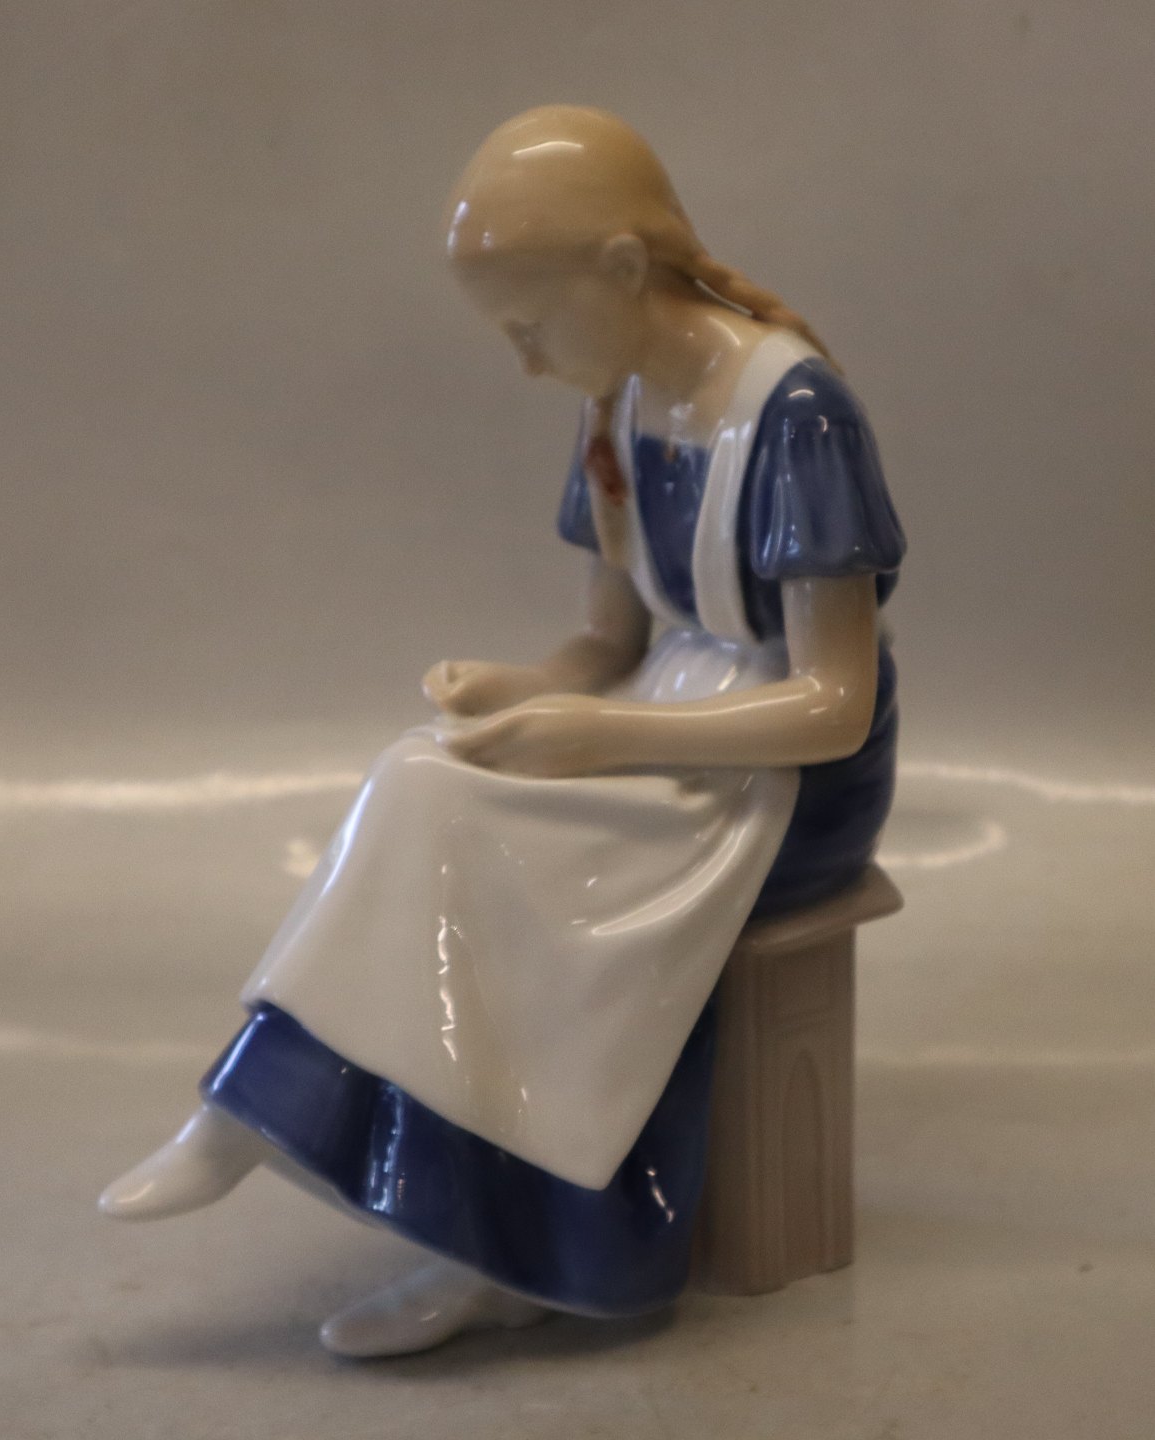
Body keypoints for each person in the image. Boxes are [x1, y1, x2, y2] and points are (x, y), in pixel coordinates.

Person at [99, 105, 905, 1358]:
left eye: (532, 327)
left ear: (623, 269)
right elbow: (608, 645)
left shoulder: (795, 415)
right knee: (424, 769)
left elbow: (833, 704)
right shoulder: (615, 403)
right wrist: (523, 689)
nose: (528, 363)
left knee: (479, 833)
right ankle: (314, 1144)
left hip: (785, 780)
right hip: (660, 725)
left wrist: (594, 740)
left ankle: (464, 1226)